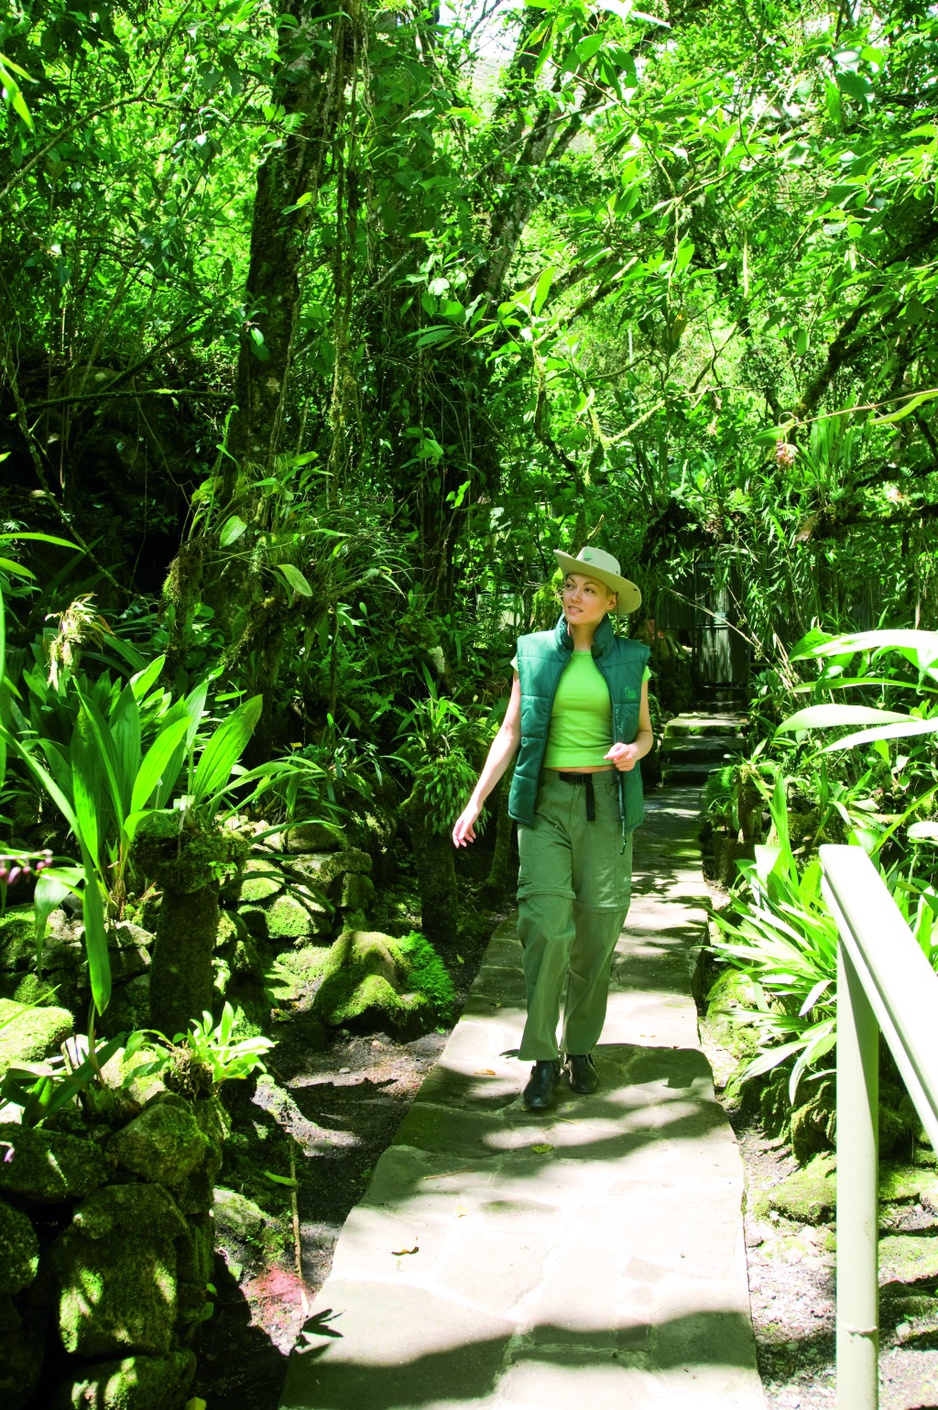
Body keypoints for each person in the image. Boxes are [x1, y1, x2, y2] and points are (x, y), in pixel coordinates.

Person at [452, 545, 653, 1111]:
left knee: (597, 930)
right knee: (545, 925)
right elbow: (510, 731)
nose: (574, 595)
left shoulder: (632, 658)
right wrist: (474, 804)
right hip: (544, 807)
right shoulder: (533, 652)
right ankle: (541, 1057)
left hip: (607, 807)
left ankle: (580, 1048)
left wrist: (632, 753)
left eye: (588, 589)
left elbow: (644, 732)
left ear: (611, 602)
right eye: (569, 585)